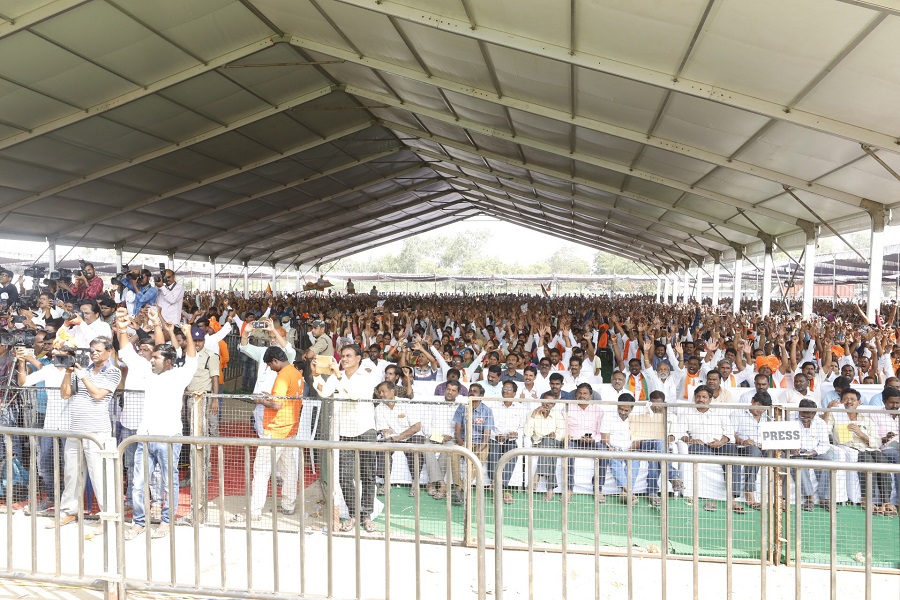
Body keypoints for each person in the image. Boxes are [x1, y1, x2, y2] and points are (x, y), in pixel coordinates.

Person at [116, 309, 195, 539]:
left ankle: (166, 521)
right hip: (144, 437)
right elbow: (125, 351)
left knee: (168, 482)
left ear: (169, 362)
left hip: (169, 437)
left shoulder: (180, 375)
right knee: (138, 483)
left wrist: (187, 334)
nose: (152, 360)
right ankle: (139, 523)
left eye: (157, 358)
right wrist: (122, 329)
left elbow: (190, 357)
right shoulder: (146, 371)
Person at [53, 336, 121, 528]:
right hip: (76, 429)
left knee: (100, 475)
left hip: (97, 431)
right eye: (91, 350)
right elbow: (65, 394)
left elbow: (98, 395)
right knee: (71, 474)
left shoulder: (113, 372)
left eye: (98, 350)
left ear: (109, 351)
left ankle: (107, 517)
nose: (94, 354)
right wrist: (68, 373)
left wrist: (82, 375)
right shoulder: (82, 370)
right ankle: (69, 511)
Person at [315, 344, 380, 532]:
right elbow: (324, 392)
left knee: (367, 475)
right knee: (344, 476)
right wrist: (316, 374)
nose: (344, 359)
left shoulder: (368, 373)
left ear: (358, 358)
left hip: (365, 429)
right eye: (342, 356)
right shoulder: (339, 375)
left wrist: (337, 375)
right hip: (344, 431)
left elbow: (354, 395)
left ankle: (366, 515)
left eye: (348, 356)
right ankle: (354, 514)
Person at [241, 347, 303, 521]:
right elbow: (284, 398)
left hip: (275, 429)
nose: (269, 368)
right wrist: (269, 396)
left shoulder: (283, 375)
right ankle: (288, 505)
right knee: (288, 469)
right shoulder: (296, 373)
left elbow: (276, 405)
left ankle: (254, 511)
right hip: (290, 429)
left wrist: (260, 400)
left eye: (269, 364)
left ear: (275, 360)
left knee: (261, 471)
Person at [826, 388, 893, 515]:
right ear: (841, 401)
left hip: (870, 448)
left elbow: (877, 442)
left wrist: (860, 433)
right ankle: (867, 499)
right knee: (867, 462)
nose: (849, 402)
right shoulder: (836, 415)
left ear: (859, 402)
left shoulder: (866, 420)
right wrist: (828, 411)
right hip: (852, 449)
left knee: (883, 463)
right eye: (846, 399)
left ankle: (886, 502)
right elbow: (825, 430)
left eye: (852, 399)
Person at [678, 385, 742, 512]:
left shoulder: (719, 411)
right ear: (694, 398)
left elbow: (729, 432)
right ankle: (707, 496)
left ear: (710, 399)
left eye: (704, 397)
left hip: (720, 445)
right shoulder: (686, 412)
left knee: (732, 452)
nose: (701, 399)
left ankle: (732, 499)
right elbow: (679, 433)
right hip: (700, 446)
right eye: (698, 396)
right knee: (696, 448)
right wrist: (691, 440)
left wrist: (721, 442)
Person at [374, 382, 426, 496]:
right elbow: (385, 430)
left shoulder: (406, 403)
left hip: (412, 436)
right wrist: (393, 437)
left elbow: (416, 427)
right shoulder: (379, 408)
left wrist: (398, 436)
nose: (381, 394)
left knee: (415, 448)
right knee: (382, 447)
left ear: (392, 391)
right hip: (393, 438)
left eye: (384, 391)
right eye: (380, 392)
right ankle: (386, 483)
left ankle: (415, 484)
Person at [451, 383, 494, 504]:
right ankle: (457, 486)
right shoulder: (462, 408)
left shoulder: (487, 411)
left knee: (482, 455)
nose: (471, 392)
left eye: (474, 391)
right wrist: (462, 444)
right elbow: (457, 431)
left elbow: (486, 438)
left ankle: (462, 488)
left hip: (479, 443)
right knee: (453, 453)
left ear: (481, 395)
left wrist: (474, 452)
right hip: (464, 442)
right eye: (470, 390)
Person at [565, 382, 606, 503]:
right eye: (580, 393)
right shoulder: (567, 408)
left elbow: (600, 431)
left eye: (585, 393)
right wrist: (573, 437)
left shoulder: (598, 410)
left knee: (604, 451)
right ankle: (569, 489)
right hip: (574, 440)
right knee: (568, 451)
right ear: (576, 394)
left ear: (591, 395)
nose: (582, 396)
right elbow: (564, 428)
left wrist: (594, 439)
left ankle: (598, 489)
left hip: (592, 441)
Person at [790, 399, 834, 511]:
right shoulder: (789, 419)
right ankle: (809, 498)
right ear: (799, 410)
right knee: (799, 466)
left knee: (829, 463)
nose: (805, 417)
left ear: (814, 414)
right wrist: (791, 448)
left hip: (814, 452)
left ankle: (824, 499)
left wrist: (814, 452)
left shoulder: (820, 423)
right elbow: (784, 438)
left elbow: (825, 444)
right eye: (803, 414)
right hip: (795, 452)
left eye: (809, 415)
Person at [732, 392, 772, 510]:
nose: (759, 411)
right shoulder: (738, 414)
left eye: (763, 409)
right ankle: (749, 493)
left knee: (782, 455)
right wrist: (743, 441)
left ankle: (781, 498)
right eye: (758, 406)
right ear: (753, 401)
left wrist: (767, 443)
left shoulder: (768, 418)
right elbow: (731, 434)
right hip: (744, 447)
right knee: (754, 452)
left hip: (764, 447)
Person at [424, 380, 463, 500]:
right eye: (448, 389)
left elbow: (459, 428)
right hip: (433, 436)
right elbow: (426, 425)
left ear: (458, 393)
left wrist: (450, 436)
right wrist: (435, 436)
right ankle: (442, 483)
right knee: (426, 448)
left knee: (448, 450)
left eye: (453, 390)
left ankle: (431, 483)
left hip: (449, 438)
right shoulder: (435, 403)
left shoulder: (461, 407)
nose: (450, 392)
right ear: (445, 389)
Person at [488, 381, 525, 504]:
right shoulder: (493, 406)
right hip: (496, 438)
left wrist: (515, 434)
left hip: (510, 439)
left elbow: (522, 427)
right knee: (494, 452)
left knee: (511, 455)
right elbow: (489, 426)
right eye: (504, 388)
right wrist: (495, 435)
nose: (505, 391)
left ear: (514, 393)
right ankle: (503, 491)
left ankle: (499, 489)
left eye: (508, 389)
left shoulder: (521, 408)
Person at [525, 395, 567, 501]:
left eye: (550, 402)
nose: (547, 404)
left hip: (554, 443)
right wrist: (534, 414)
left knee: (548, 441)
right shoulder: (532, 413)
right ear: (541, 401)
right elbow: (527, 433)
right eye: (545, 401)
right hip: (538, 443)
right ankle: (550, 490)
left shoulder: (557, 415)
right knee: (548, 445)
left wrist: (555, 436)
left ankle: (537, 476)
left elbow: (562, 434)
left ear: (554, 404)